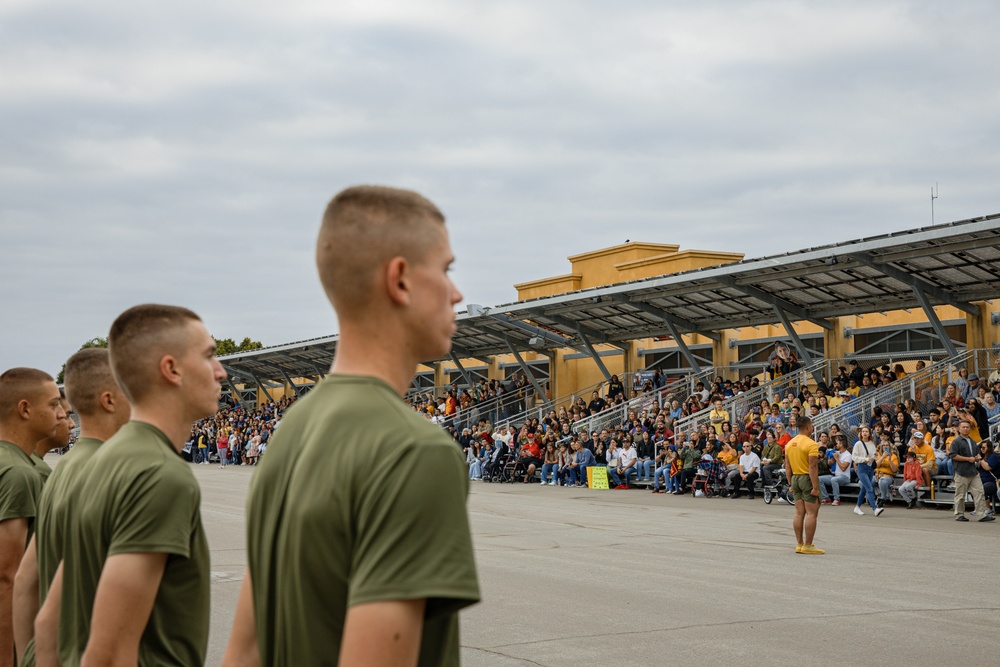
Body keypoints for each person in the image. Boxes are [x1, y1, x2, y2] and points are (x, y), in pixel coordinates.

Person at [223, 186, 480, 666]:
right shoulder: (414, 450)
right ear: (400, 279)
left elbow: (244, 651)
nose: (457, 292)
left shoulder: (290, 431)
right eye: (445, 270)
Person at [40, 305, 224, 666]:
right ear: (171, 370)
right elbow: (108, 654)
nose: (222, 371)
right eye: (209, 357)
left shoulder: (102, 461)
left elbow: (49, 622)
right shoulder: (159, 474)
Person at [13, 349, 131, 667]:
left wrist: (30, 658)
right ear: (109, 400)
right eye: (132, 390)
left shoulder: (64, 468)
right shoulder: (110, 472)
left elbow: (26, 579)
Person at [0, 368, 65, 667]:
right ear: (25, 409)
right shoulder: (19, 473)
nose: (61, 413)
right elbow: (6, 579)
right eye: (53, 405)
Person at [785, 416, 824, 554]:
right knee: (812, 513)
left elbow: (787, 466)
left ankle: (799, 544)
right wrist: (814, 487)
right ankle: (808, 544)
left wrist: (790, 483)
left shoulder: (790, 444)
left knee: (798, 512)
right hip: (806, 478)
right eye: (812, 425)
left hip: (795, 477)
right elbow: (812, 467)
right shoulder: (811, 444)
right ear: (807, 426)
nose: (812, 427)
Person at [949, 420, 993, 522]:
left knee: (979, 492)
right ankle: (959, 514)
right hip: (961, 471)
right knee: (960, 495)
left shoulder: (972, 441)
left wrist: (978, 458)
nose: (965, 429)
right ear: (959, 429)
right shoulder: (956, 441)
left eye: (967, 427)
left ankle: (981, 514)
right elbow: (953, 455)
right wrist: (968, 459)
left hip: (973, 471)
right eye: (963, 427)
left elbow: (976, 454)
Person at [852, 426, 880, 516]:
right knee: (869, 487)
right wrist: (865, 459)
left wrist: (875, 455)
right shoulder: (858, 444)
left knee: (864, 489)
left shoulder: (872, 443)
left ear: (869, 433)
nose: (864, 433)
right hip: (862, 467)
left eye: (866, 431)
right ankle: (875, 508)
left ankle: (857, 507)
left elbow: (874, 457)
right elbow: (854, 457)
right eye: (863, 431)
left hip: (870, 468)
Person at [819, 435, 852, 506]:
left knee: (834, 480)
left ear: (841, 444)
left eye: (838, 443)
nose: (836, 445)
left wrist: (837, 459)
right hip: (835, 475)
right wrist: (831, 460)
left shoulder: (848, 455)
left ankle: (837, 499)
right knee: (819, 479)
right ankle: (826, 498)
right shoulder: (837, 453)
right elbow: (829, 463)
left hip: (845, 477)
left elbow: (843, 468)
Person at [874, 439, 899, 510]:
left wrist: (890, 459)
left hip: (887, 476)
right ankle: (872, 499)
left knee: (882, 480)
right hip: (877, 475)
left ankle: (883, 499)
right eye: (883, 445)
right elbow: (876, 466)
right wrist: (882, 457)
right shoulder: (878, 455)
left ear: (889, 447)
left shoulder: (893, 456)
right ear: (881, 447)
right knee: (864, 482)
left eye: (887, 445)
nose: (885, 447)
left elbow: (894, 470)